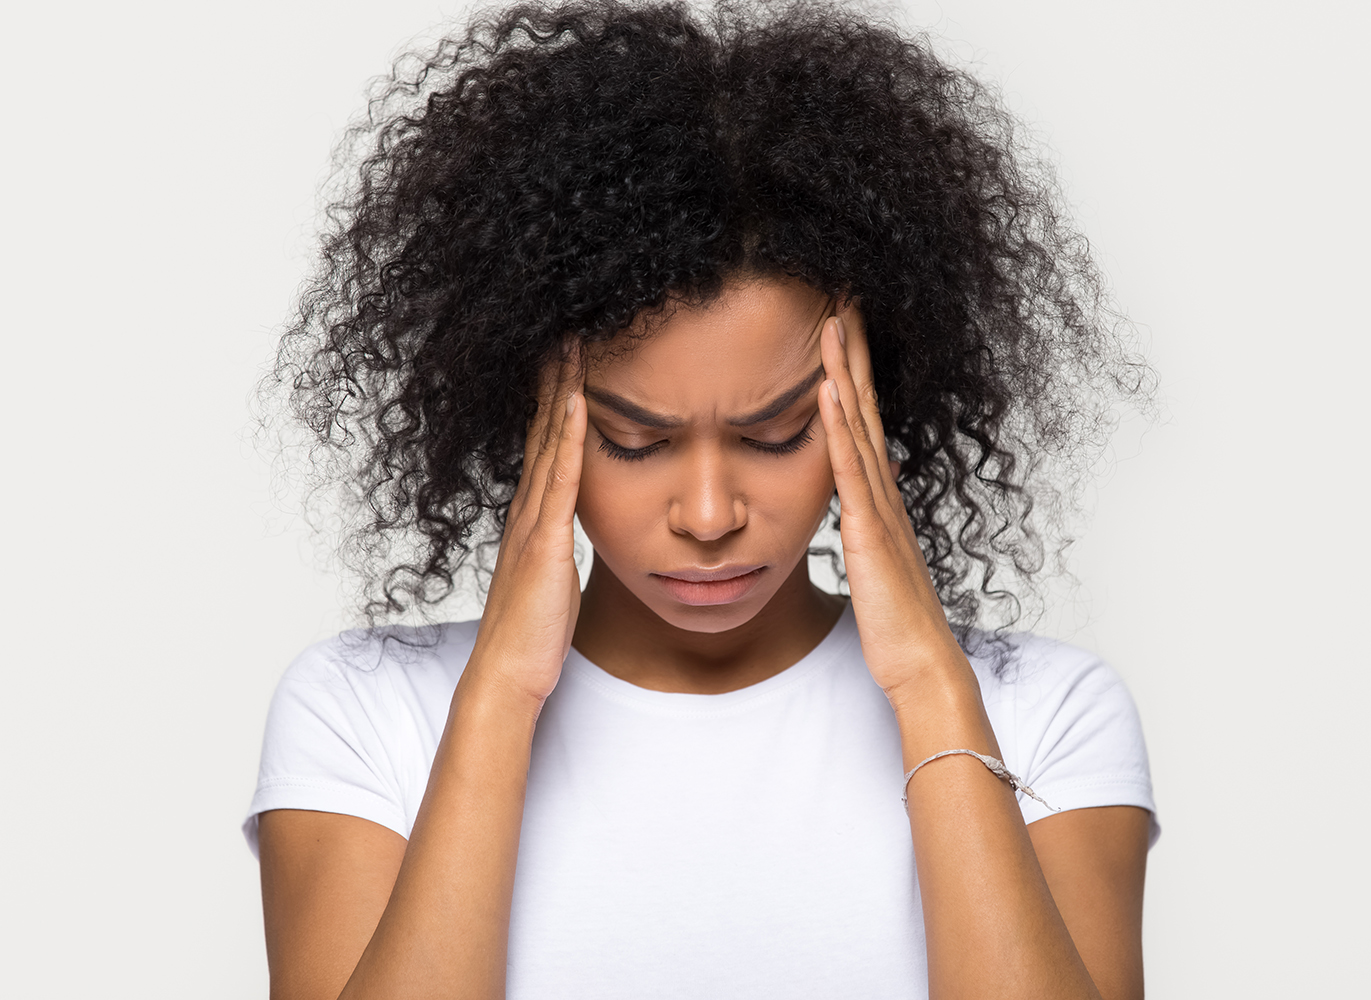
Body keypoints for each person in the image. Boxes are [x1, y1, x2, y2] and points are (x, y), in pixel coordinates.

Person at [246, 1, 1159, 997]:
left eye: (778, 435)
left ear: (876, 405)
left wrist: (931, 685)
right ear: (528, 413)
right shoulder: (367, 714)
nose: (712, 513)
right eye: (635, 441)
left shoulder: (1041, 717)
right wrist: (502, 695)